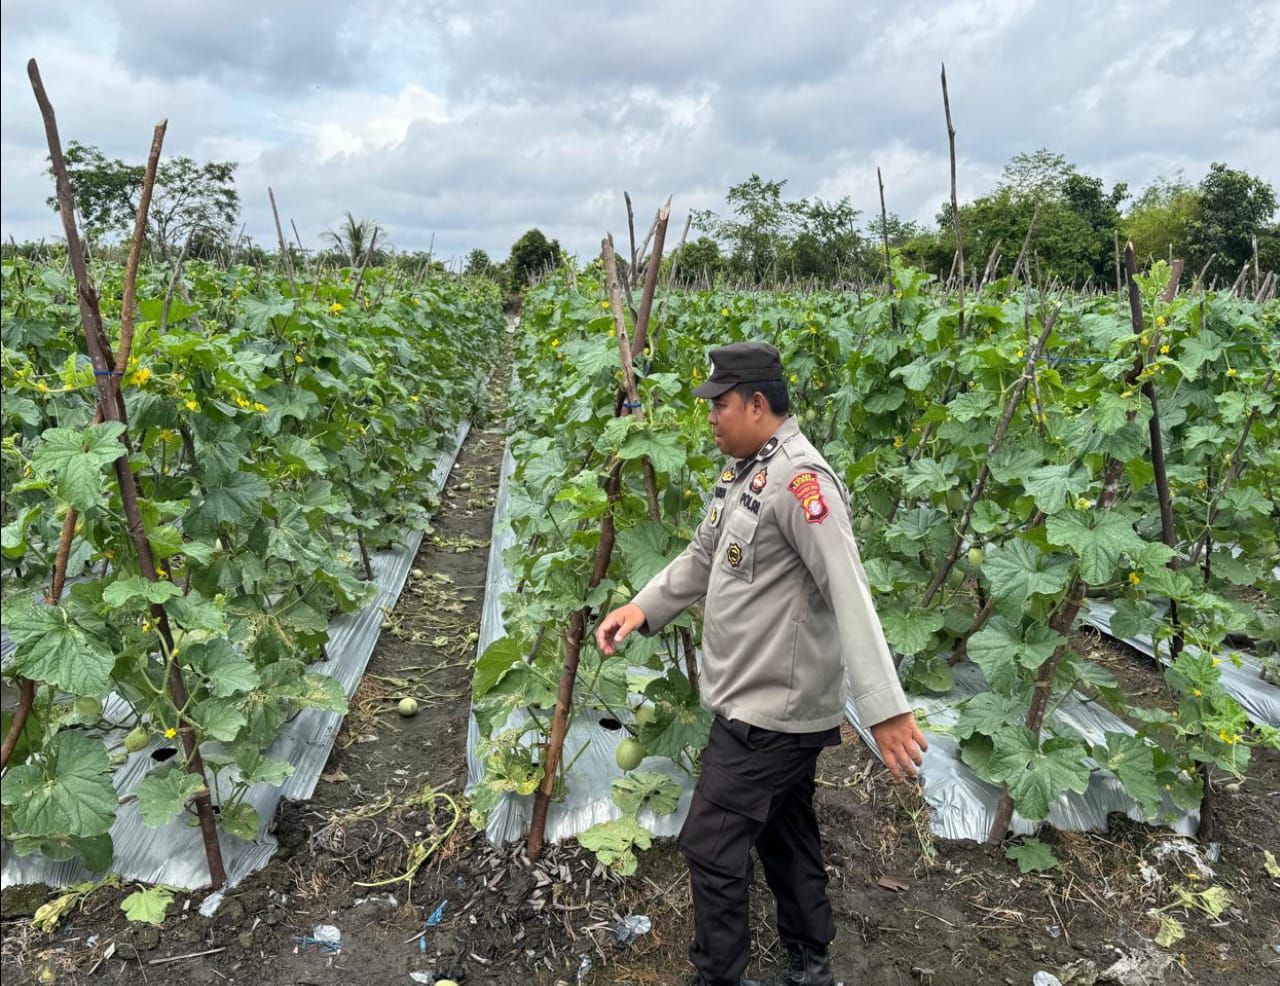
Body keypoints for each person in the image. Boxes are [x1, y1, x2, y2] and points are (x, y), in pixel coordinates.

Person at [595, 342, 927, 986]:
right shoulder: (750, 470)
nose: (710, 418)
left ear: (756, 403)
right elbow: (702, 553)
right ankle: (810, 959)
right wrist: (641, 607)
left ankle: (717, 976)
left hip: (770, 709)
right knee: (784, 827)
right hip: (760, 699)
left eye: (719, 406)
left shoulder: (802, 483)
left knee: (711, 845)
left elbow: (847, 588)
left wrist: (884, 708)